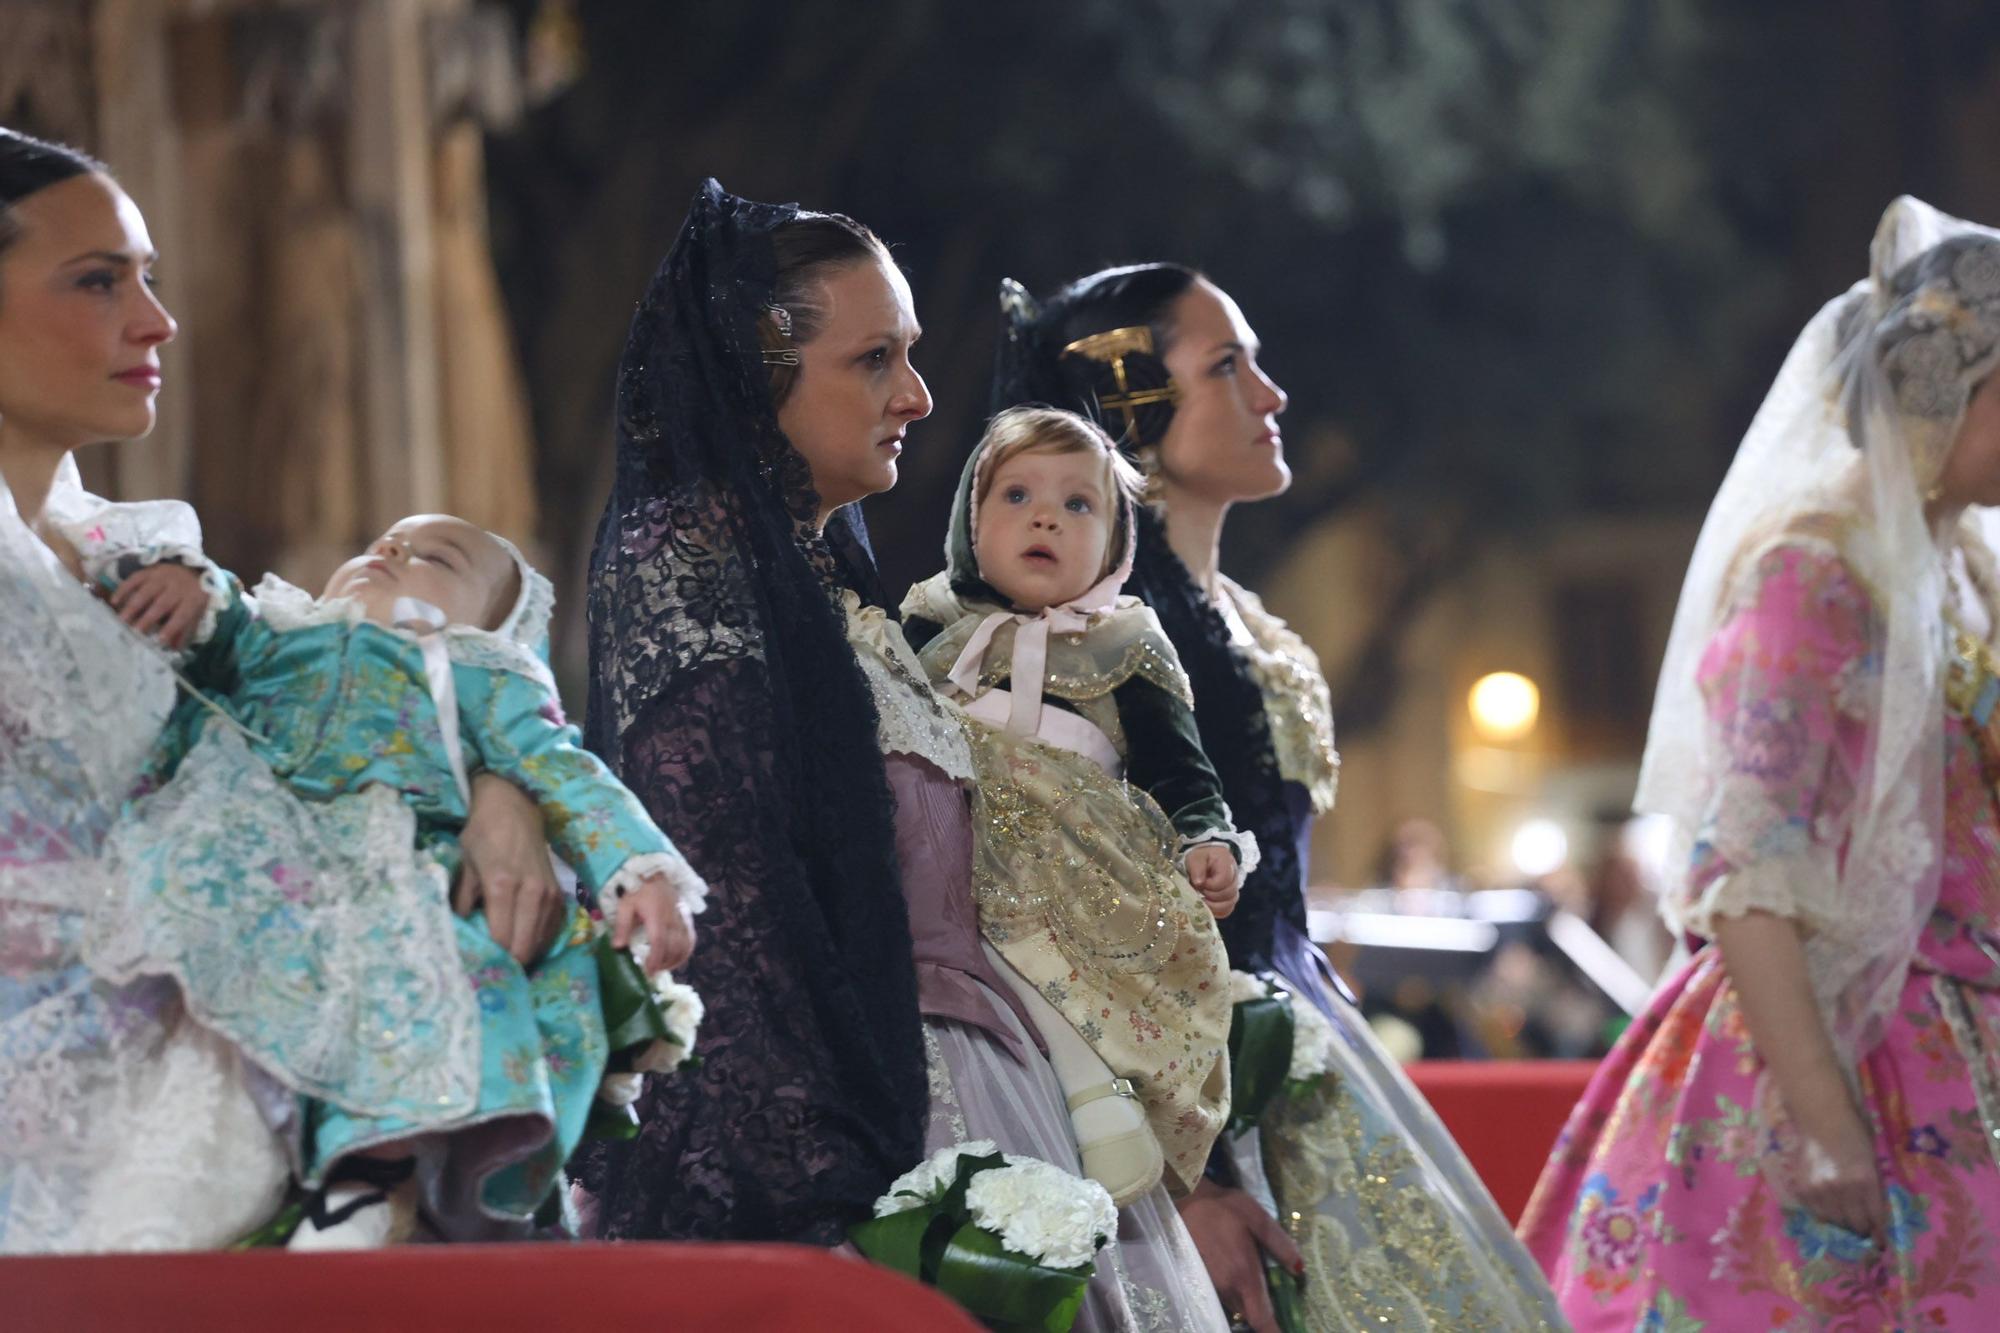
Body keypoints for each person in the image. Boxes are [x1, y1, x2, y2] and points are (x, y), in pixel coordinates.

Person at [573, 177, 1229, 1329]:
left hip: (978, 1086)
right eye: (873, 360)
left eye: (913, 355)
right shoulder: (692, 563)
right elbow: (730, 910)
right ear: (755, 372)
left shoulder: (835, 582)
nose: (918, 397)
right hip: (837, 1130)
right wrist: (820, 1204)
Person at [0, 127, 568, 1252]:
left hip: (270, 1105)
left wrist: (502, 785)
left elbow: (352, 706)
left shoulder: (135, 557)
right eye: (98, 282)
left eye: (150, 279)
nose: (156, 320)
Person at [995, 265, 1564, 1331]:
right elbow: (1068, 919)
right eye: (1226, 366)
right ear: (1133, 410)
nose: (1271, 394)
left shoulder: (1248, 624)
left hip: (1304, 1059)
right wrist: (1188, 1182)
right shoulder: (1093, 644)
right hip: (1194, 1112)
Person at [1521, 197, 2000, 1328]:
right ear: (1947, 389)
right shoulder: (1814, 574)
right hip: (1839, 1051)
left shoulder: (1963, 565)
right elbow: (1746, 869)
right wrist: (1824, 1115)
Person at [82, 511, 702, 1245]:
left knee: (411, 992)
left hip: (388, 875)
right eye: (383, 542)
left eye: (434, 557)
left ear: (491, 626)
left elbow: (562, 767)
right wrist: (186, 585)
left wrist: (641, 870)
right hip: (251, 870)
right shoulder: (276, 630)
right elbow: (215, 634)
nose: (391, 551)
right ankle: (203, 1188)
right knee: (220, 1036)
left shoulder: (474, 672)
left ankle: (363, 1182)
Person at [903, 404, 1243, 1203]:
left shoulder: (1126, 640)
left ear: (1116, 540)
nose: (1045, 515)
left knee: (1053, 954)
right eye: (1015, 495)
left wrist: (1206, 836)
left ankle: (1101, 1095)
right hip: (957, 846)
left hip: (1076, 856)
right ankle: (1082, 1094)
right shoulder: (933, 629)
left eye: (1078, 503)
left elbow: (1179, 767)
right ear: (970, 524)